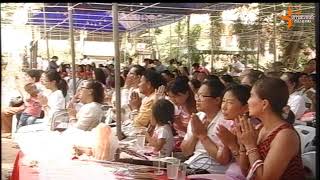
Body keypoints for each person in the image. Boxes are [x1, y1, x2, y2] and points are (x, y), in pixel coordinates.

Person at [234, 77, 304, 179]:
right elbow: (246, 172)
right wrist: (242, 144)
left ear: (264, 104)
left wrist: (250, 145)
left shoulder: (285, 135)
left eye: (251, 96)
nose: (248, 101)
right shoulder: (260, 128)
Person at [181, 79, 233, 174]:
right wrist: (195, 135)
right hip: (191, 164)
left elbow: (223, 160)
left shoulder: (226, 121)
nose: (197, 99)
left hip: (211, 170)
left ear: (217, 100)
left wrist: (202, 136)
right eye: (197, 95)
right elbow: (186, 152)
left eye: (202, 96)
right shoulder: (198, 117)